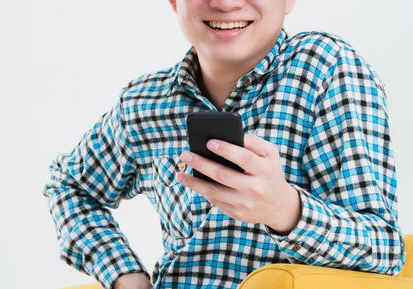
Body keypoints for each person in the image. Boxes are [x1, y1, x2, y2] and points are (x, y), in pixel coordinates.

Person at [43, 0, 405, 288]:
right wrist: (125, 276)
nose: (226, 3)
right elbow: (69, 186)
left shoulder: (325, 68)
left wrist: (284, 210)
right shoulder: (144, 103)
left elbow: (386, 251)